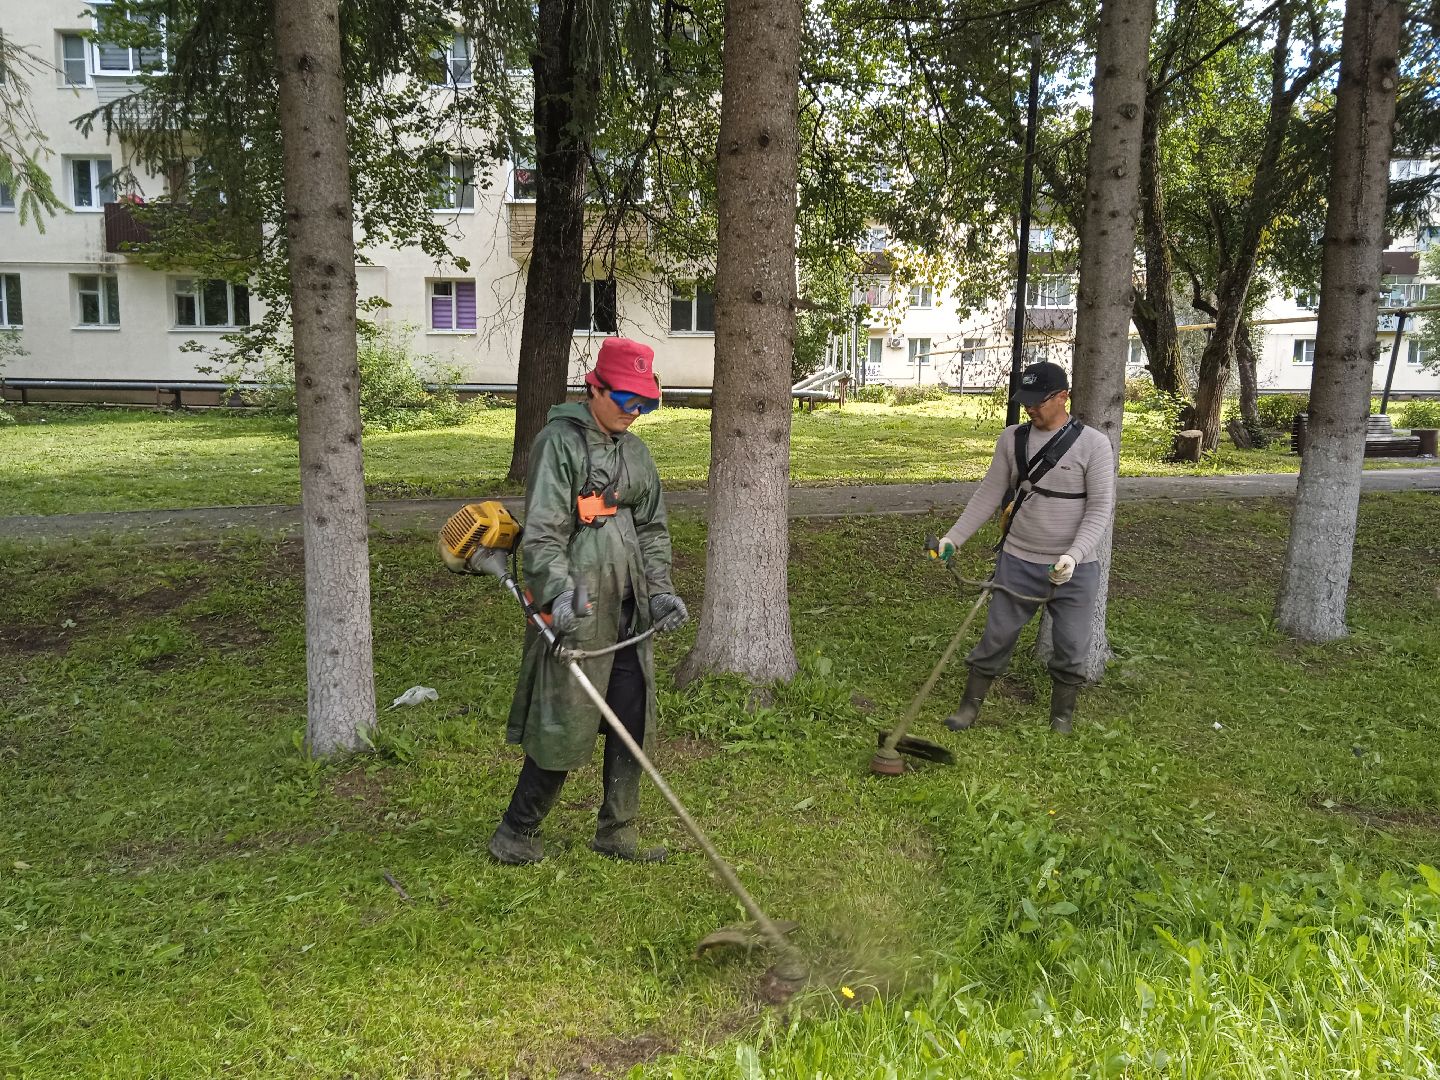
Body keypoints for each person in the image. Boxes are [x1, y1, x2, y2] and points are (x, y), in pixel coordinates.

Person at [489, 337, 688, 865]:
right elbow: (543, 533)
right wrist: (558, 596)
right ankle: (516, 832)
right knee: (565, 718)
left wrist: (661, 591)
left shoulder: (636, 454)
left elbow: (652, 530)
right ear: (594, 388)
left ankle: (616, 833)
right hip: (577, 604)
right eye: (625, 399)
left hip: (629, 608)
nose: (635, 411)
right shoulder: (558, 444)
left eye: (645, 403)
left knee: (632, 719)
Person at [934, 361, 1116, 734]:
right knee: (996, 637)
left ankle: (1061, 718)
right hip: (1017, 560)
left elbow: (1100, 509)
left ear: (1063, 397)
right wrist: (954, 538)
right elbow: (988, 493)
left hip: (1075, 568)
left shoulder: (1094, 444)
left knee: (1071, 645)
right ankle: (968, 709)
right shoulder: (1012, 439)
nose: (1030, 408)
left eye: (1038, 401)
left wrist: (1073, 556)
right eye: (1026, 401)